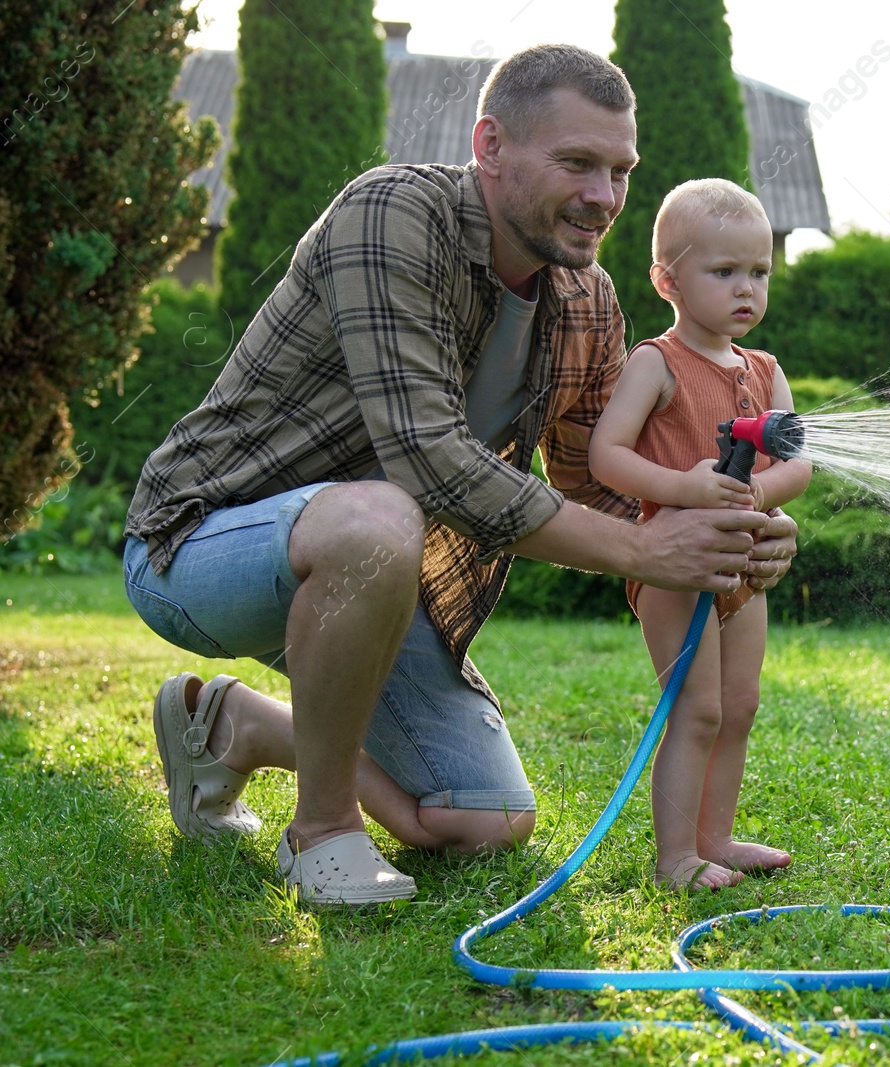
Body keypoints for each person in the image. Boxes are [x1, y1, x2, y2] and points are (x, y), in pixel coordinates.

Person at [120, 46, 799, 907]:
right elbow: (431, 459)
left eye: (621, 170)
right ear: (490, 144)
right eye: (577, 162)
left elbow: (604, 495)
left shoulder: (587, 302)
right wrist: (646, 549)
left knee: (484, 817)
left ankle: (235, 725)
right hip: (203, 545)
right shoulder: (394, 215)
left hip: (374, 580)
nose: (605, 195)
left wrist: (725, 533)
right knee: (379, 515)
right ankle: (322, 833)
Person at [590, 179, 812, 889]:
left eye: (759, 273)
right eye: (724, 272)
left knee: (739, 706)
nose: (746, 289)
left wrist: (761, 493)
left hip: (742, 565)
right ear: (667, 280)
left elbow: (797, 463)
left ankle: (715, 838)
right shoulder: (656, 362)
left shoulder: (765, 371)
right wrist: (686, 486)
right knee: (698, 706)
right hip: (675, 565)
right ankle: (675, 856)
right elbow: (608, 456)